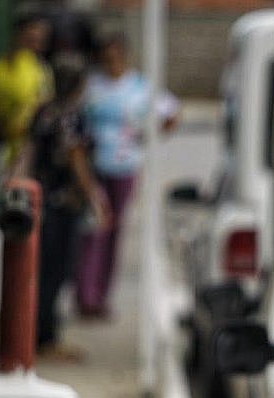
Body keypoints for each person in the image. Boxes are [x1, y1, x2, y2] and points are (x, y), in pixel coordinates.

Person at [9, 53, 108, 360]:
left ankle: (38, 333)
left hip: (40, 200)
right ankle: (45, 338)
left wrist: (16, 181)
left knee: (40, 270)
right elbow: (77, 159)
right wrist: (95, 198)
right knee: (56, 272)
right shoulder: (71, 117)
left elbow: (28, 151)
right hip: (62, 204)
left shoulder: (44, 111)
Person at [76, 32, 178, 318]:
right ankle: (86, 294)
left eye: (116, 56)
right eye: (107, 57)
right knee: (95, 227)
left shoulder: (140, 86)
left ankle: (101, 294)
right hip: (94, 166)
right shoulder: (93, 86)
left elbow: (170, 114)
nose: (112, 62)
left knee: (114, 230)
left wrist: (149, 135)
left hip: (124, 166)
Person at [0, 12, 53, 166]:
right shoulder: (1, 68)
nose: (35, 46)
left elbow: (44, 104)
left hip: (28, 146)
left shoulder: (42, 70)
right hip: (3, 142)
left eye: (40, 41)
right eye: (30, 39)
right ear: (18, 36)